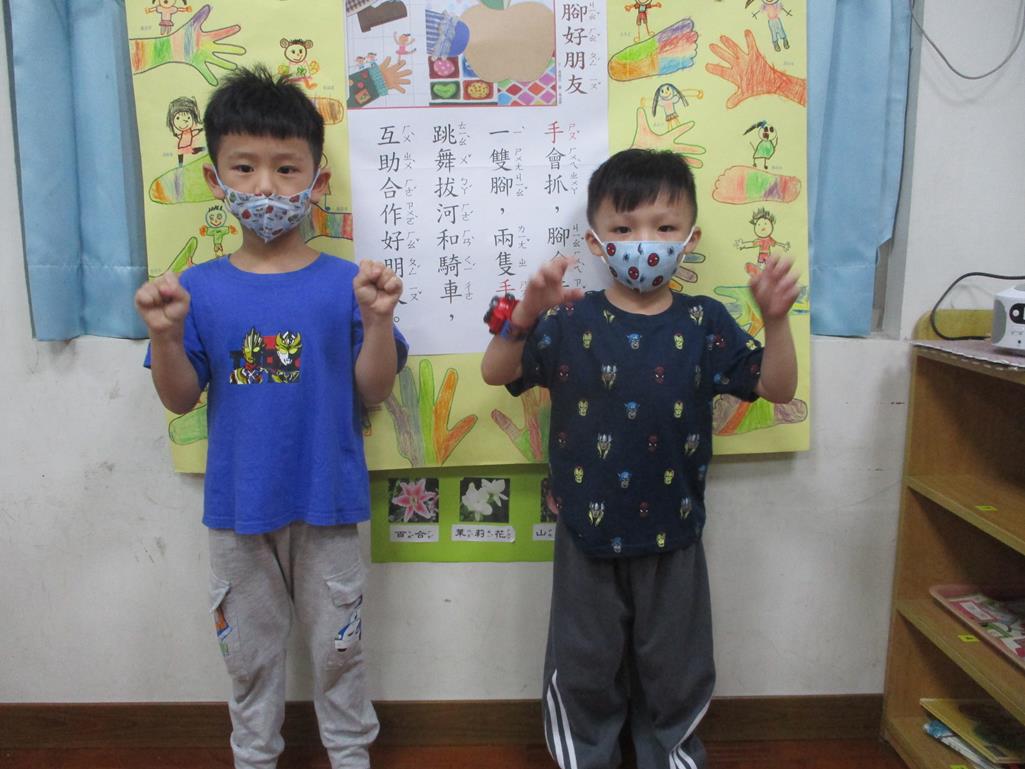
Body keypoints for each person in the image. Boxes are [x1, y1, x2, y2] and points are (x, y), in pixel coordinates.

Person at [480, 148, 798, 769]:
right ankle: (585, 755)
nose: (643, 243)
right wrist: (525, 315)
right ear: (596, 242)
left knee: (676, 665)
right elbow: (497, 371)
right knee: (584, 663)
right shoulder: (570, 318)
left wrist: (776, 321)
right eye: (623, 229)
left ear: (690, 238)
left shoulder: (705, 321)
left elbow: (778, 387)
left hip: (674, 532)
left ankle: (672, 753)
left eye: (664, 226)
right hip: (585, 532)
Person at [134, 66, 407, 769]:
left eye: (287, 169)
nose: (265, 187)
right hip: (238, 510)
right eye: (244, 167)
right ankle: (254, 755)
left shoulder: (345, 283)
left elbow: (374, 388)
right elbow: (179, 398)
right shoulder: (196, 289)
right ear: (215, 178)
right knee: (248, 657)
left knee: (339, 651)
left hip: (328, 503)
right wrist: (166, 336)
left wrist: (379, 321)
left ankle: (350, 753)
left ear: (317, 181)